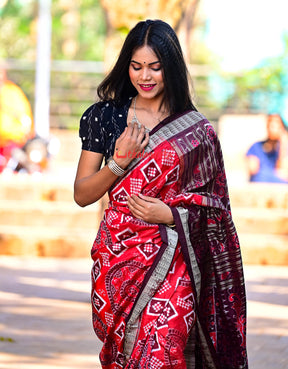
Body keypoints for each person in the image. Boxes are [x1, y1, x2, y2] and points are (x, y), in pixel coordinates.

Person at [74, 19, 248, 369]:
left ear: (171, 68)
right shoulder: (105, 117)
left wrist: (170, 215)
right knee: (128, 355)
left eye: (155, 67)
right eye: (136, 66)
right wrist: (119, 163)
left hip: (178, 258)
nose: (145, 76)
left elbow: (217, 209)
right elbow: (82, 193)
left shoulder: (197, 132)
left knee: (163, 351)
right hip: (119, 258)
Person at [246, 113, 288, 183]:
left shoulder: (283, 148)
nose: (273, 129)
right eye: (271, 125)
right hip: (260, 182)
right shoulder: (256, 147)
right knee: (261, 176)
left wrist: (283, 142)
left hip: (277, 183)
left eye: (277, 126)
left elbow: (283, 172)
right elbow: (252, 170)